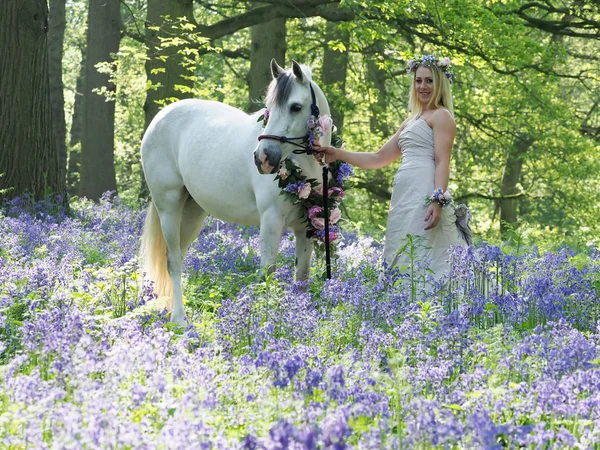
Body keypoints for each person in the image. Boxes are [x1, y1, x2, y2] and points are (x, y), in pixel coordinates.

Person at [312, 54, 471, 280]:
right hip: (404, 194)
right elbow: (378, 158)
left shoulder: (442, 116)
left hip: (425, 190)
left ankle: (439, 299)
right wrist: (337, 154)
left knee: (424, 247)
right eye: (418, 81)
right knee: (402, 244)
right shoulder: (410, 121)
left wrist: (438, 199)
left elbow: (442, 161)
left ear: (439, 83)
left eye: (429, 81)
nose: (423, 86)